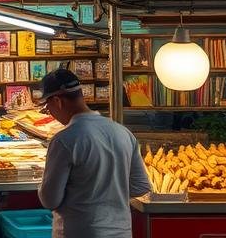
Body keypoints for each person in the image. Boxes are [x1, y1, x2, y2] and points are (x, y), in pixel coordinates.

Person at [38, 68, 150, 238]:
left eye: (47, 107)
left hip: (79, 231)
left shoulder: (65, 140)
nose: (51, 113)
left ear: (57, 101)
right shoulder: (123, 133)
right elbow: (141, 186)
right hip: (121, 232)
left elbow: (50, 200)